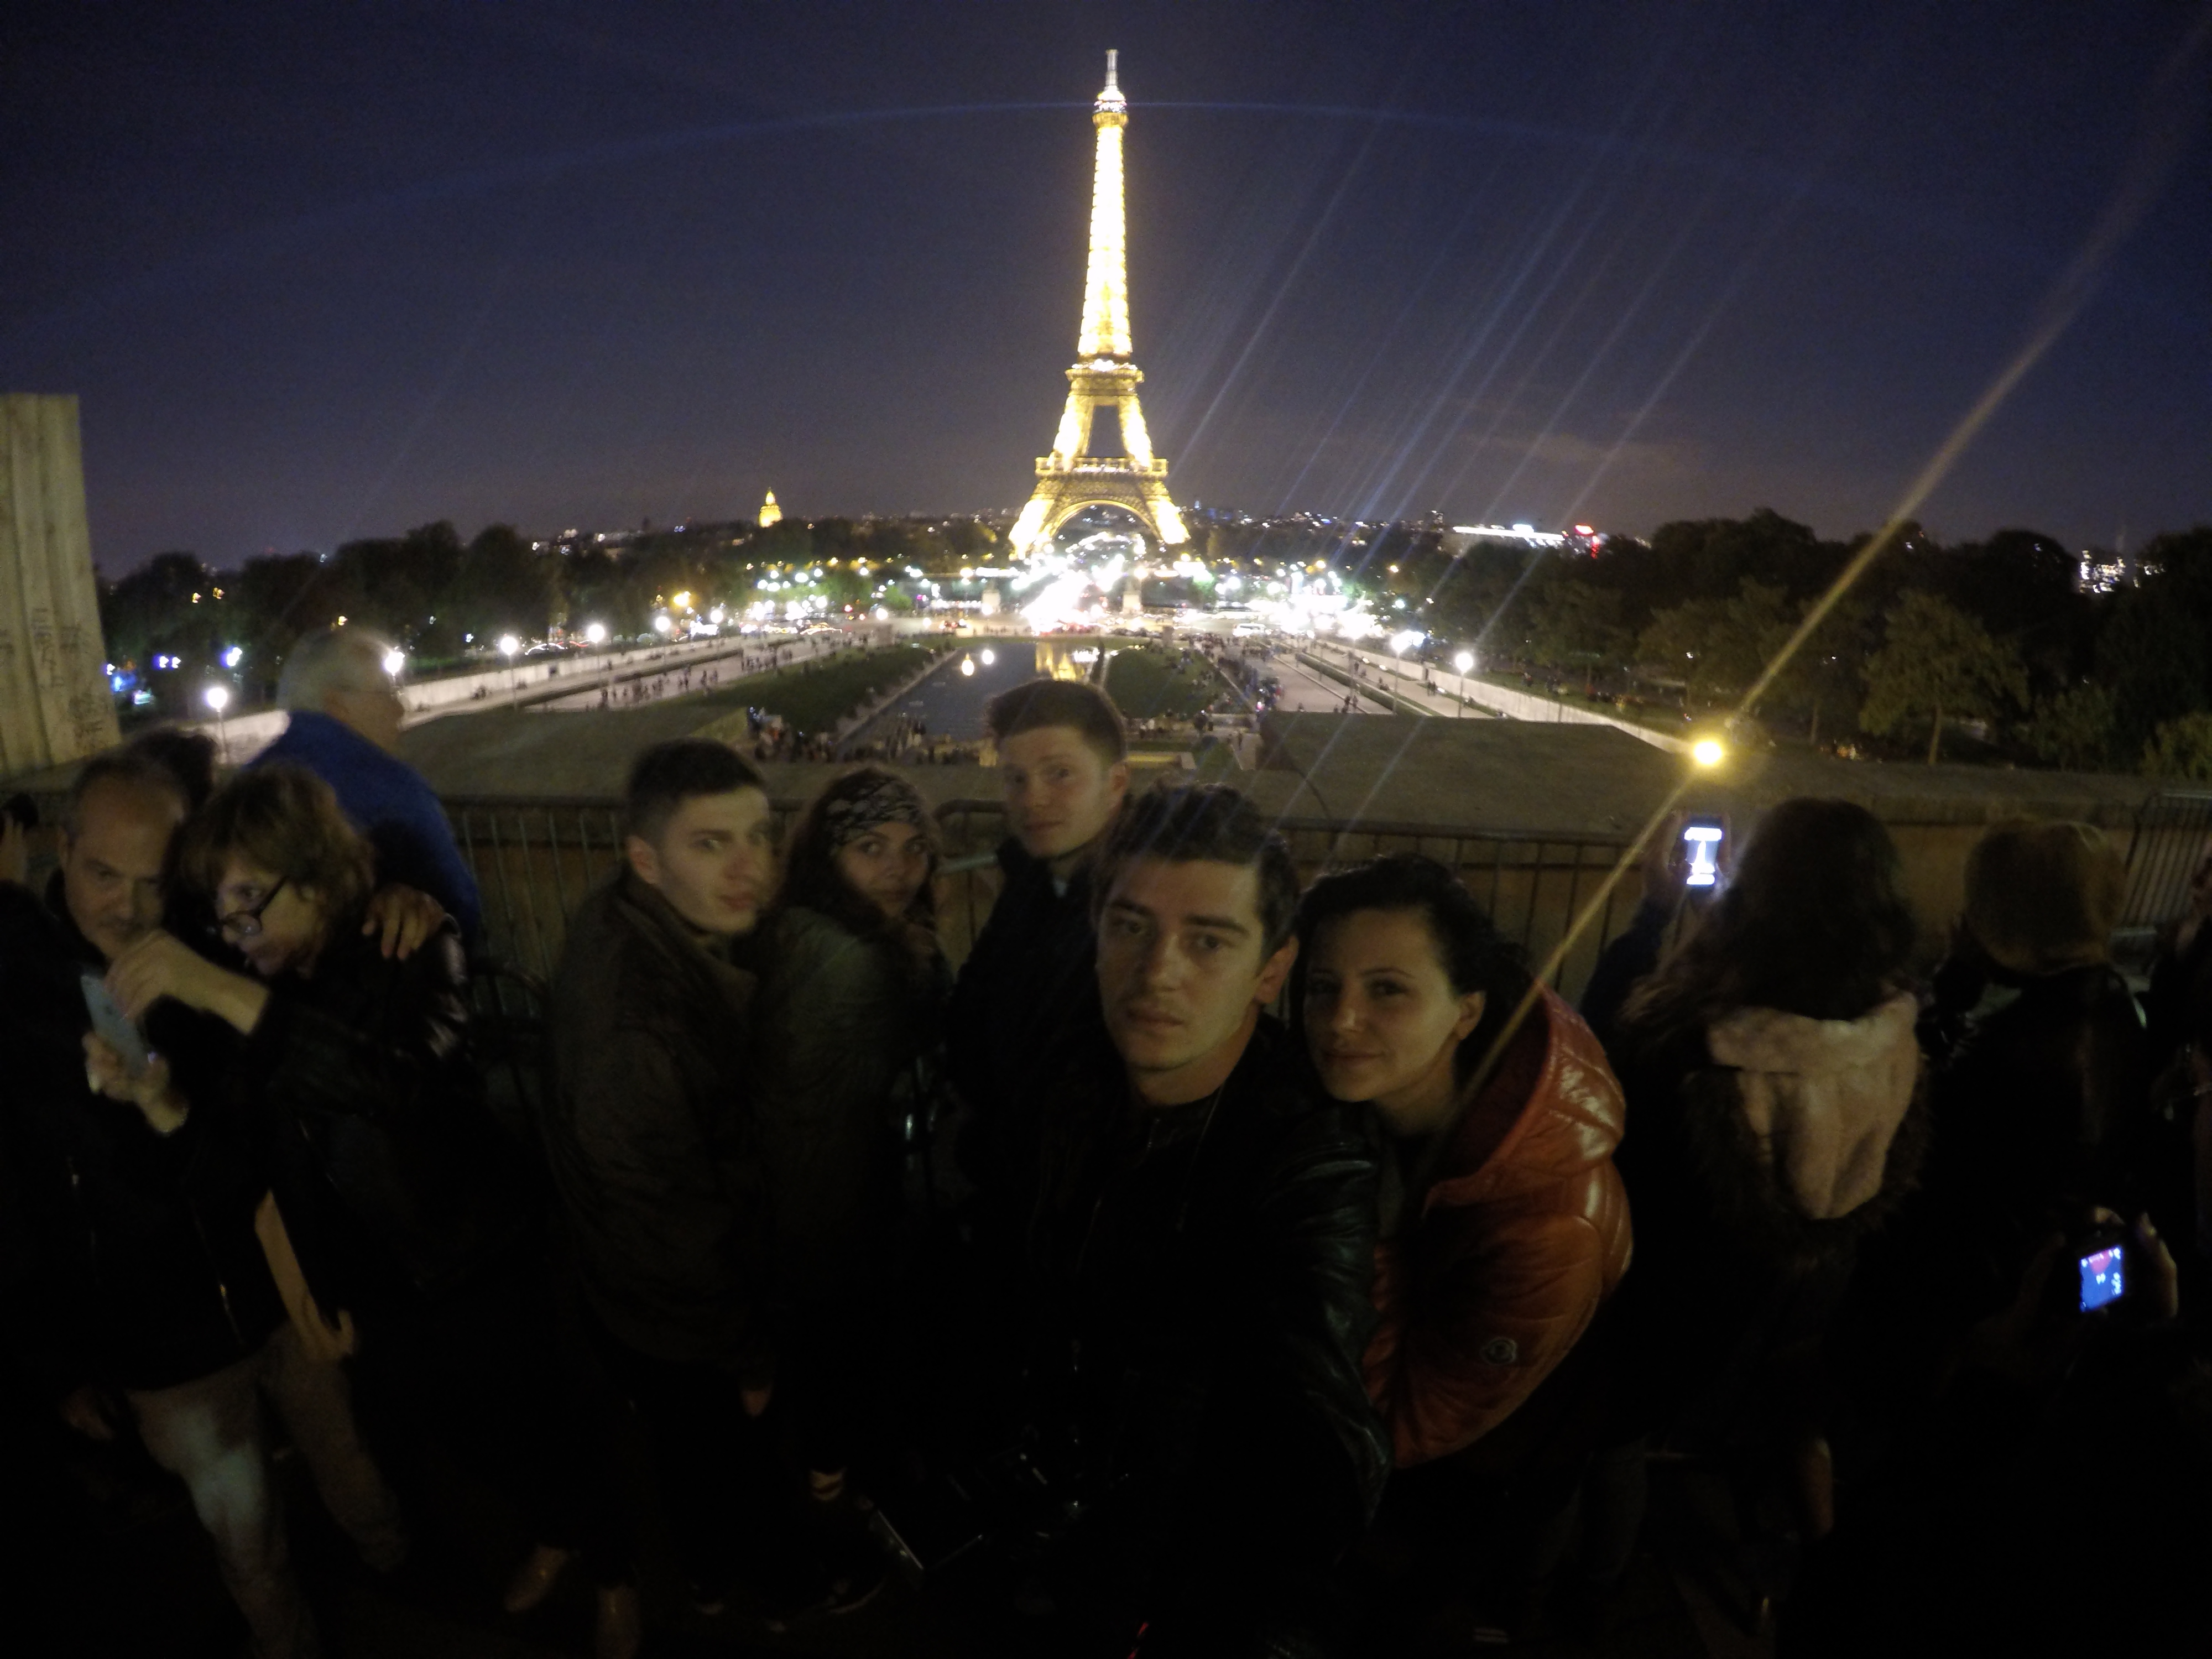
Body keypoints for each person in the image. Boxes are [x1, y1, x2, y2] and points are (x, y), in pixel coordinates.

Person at [132, 763, 638, 1655]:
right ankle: (558, 1529)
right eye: (222, 908)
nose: (234, 930)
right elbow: (256, 1144)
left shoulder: (411, 945)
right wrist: (165, 1103)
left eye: (250, 900)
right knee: (466, 1433)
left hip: (478, 1249)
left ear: (317, 878)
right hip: (378, 1279)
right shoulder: (261, 970)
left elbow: (396, 1084)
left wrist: (224, 991)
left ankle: (615, 1572)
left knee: (549, 1417)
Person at [0, 738, 408, 1659]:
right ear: (62, 849)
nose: (129, 907)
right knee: (244, 1529)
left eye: (154, 882)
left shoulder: (209, 942)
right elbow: (14, 1196)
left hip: (268, 1284)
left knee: (346, 1452)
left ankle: (393, 1559)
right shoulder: (21, 988)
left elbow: (317, 961)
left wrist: (395, 899)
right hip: (158, 1342)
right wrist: (51, 1360)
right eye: (104, 875)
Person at [1021, 784, 1390, 1653]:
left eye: (1208, 941)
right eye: (1131, 927)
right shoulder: (1077, 1071)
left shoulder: (1307, 1163)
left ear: (1271, 971)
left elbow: (1320, 1441)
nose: (1158, 972)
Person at [1294, 854, 1632, 1634]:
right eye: (1322, 987)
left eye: (1387, 990)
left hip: (1458, 1488)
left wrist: (1367, 1235)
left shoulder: (1548, 1221)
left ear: (1466, 1012)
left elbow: (1407, 1426)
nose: (1340, 1021)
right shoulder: (1376, 1112)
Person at [542, 739, 839, 1621]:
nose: (751, 868)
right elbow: (672, 1221)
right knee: (734, 1460)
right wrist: (747, 1354)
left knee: (690, 1461)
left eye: (758, 835)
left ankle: (709, 1580)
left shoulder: (625, 917)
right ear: (647, 858)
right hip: (681, 1314)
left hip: (635, 1295)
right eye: (712, 845)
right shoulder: (638, 1029)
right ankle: (778, 1592)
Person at [1601, 799, 1927, 1569]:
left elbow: (1600, 1058)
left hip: (1651, 1314)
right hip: (1763, 1322)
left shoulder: (1696, 1048)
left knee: (1597, 1443)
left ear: (1754, 894)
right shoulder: (1892, 1034)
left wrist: (1655, 917)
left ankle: (1562, 1594)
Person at [748, 766, 950, 1538]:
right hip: (834, 1214)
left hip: (805, 1207)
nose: (899, 869)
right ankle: (828, 1511)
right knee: (838, 1360)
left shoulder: (802, 928)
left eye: (913, 848)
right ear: (829, 856)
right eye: (872, 847)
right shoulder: (851, 961)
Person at [1921, 820, 2152, 1316]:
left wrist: (1951, 993)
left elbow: (1927, 1150)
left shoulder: (2005, 1050)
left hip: (1993, 1295)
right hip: (2077, 1268)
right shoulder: (2124, 1011)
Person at [946, 677, 1130, 1225]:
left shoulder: (1140, 913)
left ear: (1116, 784)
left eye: (1060, 774)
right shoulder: (1032, 877)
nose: (1032, 800)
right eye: (1015, 779)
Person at [255, 625, 483, 943]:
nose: (401, 708)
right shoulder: (393, 788)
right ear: (338, 705)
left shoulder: (249, 780)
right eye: (387, 692)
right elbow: (462, 909)